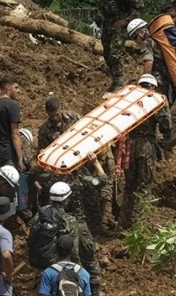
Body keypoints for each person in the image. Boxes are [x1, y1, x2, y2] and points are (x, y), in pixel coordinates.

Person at [35, 96, 116, 233]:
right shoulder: (44, 130)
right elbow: (43, 154)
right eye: (52, 116)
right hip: (63, 170)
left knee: (91, 197)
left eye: (57, 114)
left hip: (82, 164)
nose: (55, 118)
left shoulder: (74, 118)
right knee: (70, 200)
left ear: (61, 109)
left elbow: (88, 133)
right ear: (47, 114)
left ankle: (97, 228)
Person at [119, 74, 171, 230]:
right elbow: (166, 126)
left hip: (129, 147)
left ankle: (122, 224)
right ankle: (138, 227)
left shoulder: (128, 102)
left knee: (129, 187)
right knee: (144, 187)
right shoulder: (152, 102)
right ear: (153, 88)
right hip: (145, 148)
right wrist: (165, 107)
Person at [96, 0, 144, 92]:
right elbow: (100, 1)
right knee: (106, 52)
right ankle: (115, 77)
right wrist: (99, 15)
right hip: (107, 23)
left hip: (120, 24)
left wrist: (126, 20)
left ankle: (119, 80)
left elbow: (139, 4)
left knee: (115, 53)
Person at [127, 17, 176, 123]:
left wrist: (145, 82)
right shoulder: (161, 39)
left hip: (159, 78)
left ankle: (166, 134)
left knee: (159, 105)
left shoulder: (147, 43)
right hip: (173, 74)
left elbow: (149, 62)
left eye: (134, 37)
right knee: (166, 103)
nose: (135, 41)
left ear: (141, 32)